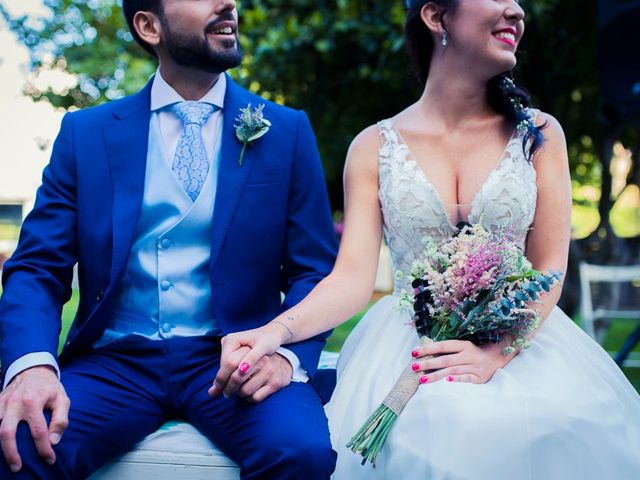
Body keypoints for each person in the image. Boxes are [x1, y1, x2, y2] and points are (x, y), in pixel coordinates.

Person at [212, 0, 640, 478]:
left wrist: (493, 355)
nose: (517, 11)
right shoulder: (373, 147)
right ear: (436, 18)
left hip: (524, 340)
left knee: (554, 427)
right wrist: (274, 333)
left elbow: (548, 271)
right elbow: (351, 279)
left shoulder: (540, 134)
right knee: (432, 430)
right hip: (405, 349)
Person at [0, 0, 338, 478]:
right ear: (148, 25)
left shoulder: (286, 130)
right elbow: (37, 267)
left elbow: (313, 271)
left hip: (236, 360)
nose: (228, 3)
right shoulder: (85, 133)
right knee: (20, 445)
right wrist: (32, 365)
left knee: (299, 451)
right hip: (115, 361)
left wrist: (283, 355)